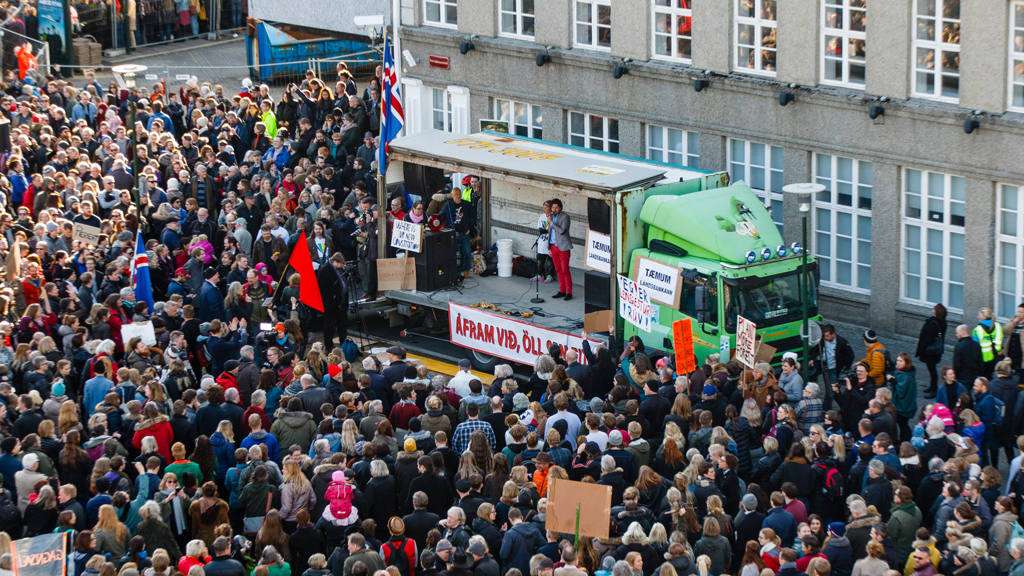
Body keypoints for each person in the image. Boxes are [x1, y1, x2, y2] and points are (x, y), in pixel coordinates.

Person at [917, 304, 948, 398]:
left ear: (936, 311)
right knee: (932, 369)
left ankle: (934, 390)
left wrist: (923, 349)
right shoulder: (942, 322)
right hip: (936, 350)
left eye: (934, 309)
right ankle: (932, 387)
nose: (932, 310)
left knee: (932, 370)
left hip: (931, 351)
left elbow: (927, 338)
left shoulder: (933, 323)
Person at [547, 199, 573, 300]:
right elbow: (549, 231)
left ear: (560, 208)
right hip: (553, 246)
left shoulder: (565, 217)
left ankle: (569, 292)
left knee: (565, 270)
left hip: (563, 247)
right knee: (558, 269)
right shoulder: (551, 216)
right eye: (553, 207)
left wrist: (552, 223)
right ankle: (562, 290)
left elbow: (562, 231)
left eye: (556, 207)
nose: (554, 209)